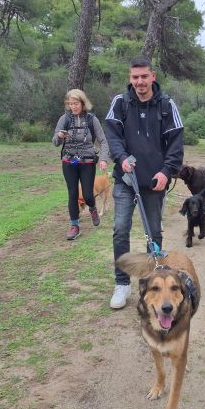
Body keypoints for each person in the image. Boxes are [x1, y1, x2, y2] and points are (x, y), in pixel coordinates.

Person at [105, 57, 184, 309]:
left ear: (153, 76)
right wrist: (121, 157)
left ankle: (155, 280)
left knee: (154, 233)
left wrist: (166, 172)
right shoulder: (120, 103)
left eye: (144, 76)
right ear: (130, 78)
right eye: (135, 77)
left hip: (154, 182)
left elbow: (175, 144)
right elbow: (112, 136)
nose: (139, 81)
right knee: (120, 228)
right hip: (126, 180)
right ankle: (121, 283)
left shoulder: (166, 105)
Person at [53, 89, 109, 240]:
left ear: (83, 103)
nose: (73, 106)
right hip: (69, 160)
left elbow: (103, 141)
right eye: (70, 104)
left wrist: (103, 159)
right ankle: (74, 225)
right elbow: (55, 142)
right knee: (72, 194)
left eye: (76, 103)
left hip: (87, 161)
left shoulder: (92, 120)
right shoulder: (64, 119)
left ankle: (92, 207)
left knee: (88, 194)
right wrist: (59, 136)